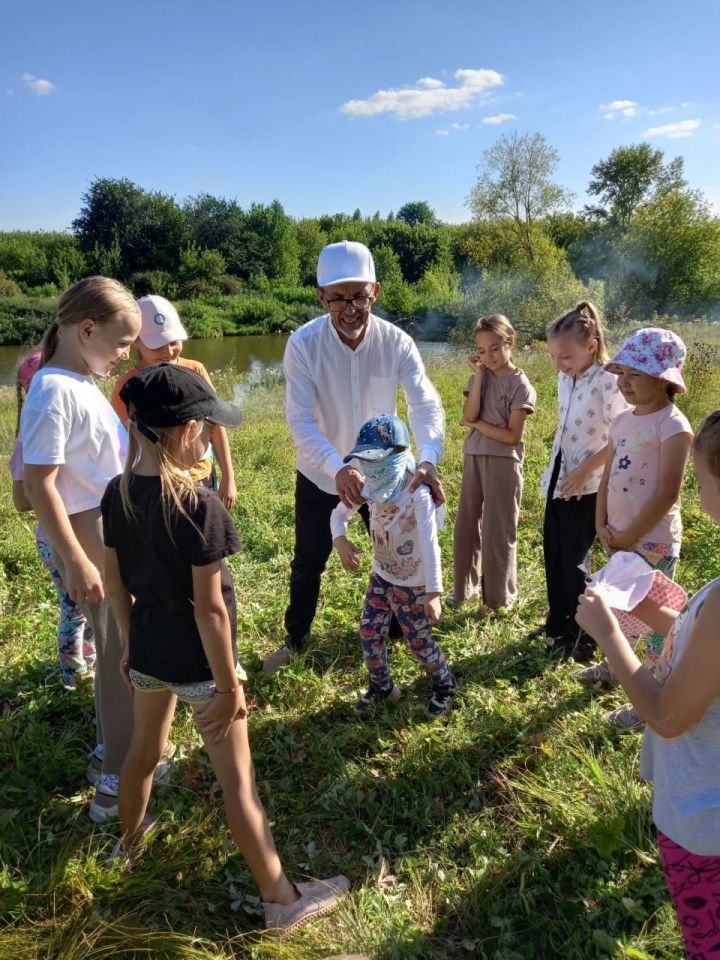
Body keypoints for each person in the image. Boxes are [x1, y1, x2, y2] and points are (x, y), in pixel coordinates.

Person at [101, 363, 349, 929]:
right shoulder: (198, 505)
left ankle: (129, 845)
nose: (212, 438)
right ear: (184, 431)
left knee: (143, 754)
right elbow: (211, 611)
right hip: (200, 666)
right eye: (207, 428)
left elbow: (115, 586)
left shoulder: (117, 495)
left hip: (148, 655)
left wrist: (129, 644)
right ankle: (282, 900)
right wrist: (228, 682)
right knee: (239, 787)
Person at [575, 409, 720, 960]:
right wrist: (660, 615)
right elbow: (707, 655)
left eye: (701, 480)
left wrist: (612, 637)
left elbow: (666, 715)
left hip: (705, 829)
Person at [263, 241, 444, 676]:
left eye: (358, 296)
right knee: (308, 559)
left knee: (401, 551)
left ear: (375, 292)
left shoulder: (396, 342)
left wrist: (428, 457)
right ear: (321, 296)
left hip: (385, 474)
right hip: (322, 473)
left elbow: (424, 404)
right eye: (338, 297)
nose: (349, 308)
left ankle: (403, 628)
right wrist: (337, 467)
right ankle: (296, 638)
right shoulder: (303, 345)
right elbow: (301, 420)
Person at [20, 276, 143, 822]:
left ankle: (110, 755)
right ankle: (117, 787)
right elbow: (39, 485)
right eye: (120, 343)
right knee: (122, 658)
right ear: (87, 328)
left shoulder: (74, 382)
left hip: (105, 530)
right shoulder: (53, 390)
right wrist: (75, 559)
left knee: (118, 653)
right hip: (90, 536)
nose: (124, 355)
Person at [577, 327, 692, 730]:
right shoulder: (623, 421)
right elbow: (607, 479)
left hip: (654, 542)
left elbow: (666, 493)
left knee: (658, 622)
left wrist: (629, 536)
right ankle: (616, 665)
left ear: (664, 380)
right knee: (614, 603)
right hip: (617, 536)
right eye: (621, 373)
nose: (623, 382)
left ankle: (653, 695)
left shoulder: (673, 426)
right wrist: (601, 524)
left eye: (635, 374)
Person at [330, 415, 455, 716]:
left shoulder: (418, 495)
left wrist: (434, 593)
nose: (373, 473)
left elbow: (430, 545)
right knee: (369, 632)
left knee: (418, 640)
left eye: (380, 463)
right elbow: (338, 515)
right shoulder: (368, 486)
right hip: (381, 578)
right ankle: (382, 687)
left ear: (400, 455)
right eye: (367, 464)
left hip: (414, 584)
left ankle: (444, 684)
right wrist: (340, 540)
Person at [536, 301, 628, 659]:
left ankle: (583, 635)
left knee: (575, 561)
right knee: (554, 555)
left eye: (567, 356)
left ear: (591, 345)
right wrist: (562, 473)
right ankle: (558, 623)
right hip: (559, 478)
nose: (560, 364)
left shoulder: (609, 381)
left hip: (588, 485)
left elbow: (619, 437)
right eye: (555, 357)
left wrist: (585, 470)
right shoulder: (565, 378)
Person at [9, 348, 95, 690]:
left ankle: (88, 661)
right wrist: (56, 489)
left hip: (73, 535)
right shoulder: (29, 438)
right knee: (74, 609)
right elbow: (21, 500)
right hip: (59, 539)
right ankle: (74, 675)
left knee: (86, 606)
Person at [111, 295, 237, 509]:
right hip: (157, 484)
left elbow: (215, 424)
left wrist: (229, 476)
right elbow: (125, 443)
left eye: (173, 342)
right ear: (137, 342)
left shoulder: (195, 370)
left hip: (201, 475)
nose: (168, 352)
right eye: (157, 345)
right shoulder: (127, 386)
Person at [448, 314, 536, 611]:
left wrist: (480, 427)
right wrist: (480, 377)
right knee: (466, 525)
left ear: (510, 343)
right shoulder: (478, 378)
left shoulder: (520, 384)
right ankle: (463, 590)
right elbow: (470, 415)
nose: (489, 356)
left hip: (504, 461)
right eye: (482, 351)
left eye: (495, 348)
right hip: (474, 455)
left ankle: (499, 598)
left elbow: (512, 436)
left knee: (498, 529)